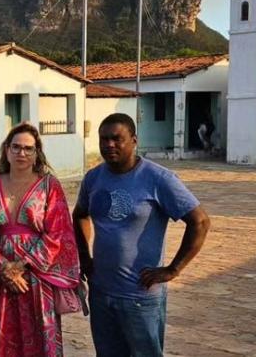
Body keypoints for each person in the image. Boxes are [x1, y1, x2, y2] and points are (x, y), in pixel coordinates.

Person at [73, 113, 211, 357]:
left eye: (117, 139)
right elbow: (80, 215)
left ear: (134, 140)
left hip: (140, 295)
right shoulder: (93, 178)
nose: (109, 145)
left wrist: (173, 269)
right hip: (102, 292)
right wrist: (84, 255)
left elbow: (199, 221)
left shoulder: (159, 179)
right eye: (104, 139)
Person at [0, 123, 80, 357]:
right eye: (16, 147)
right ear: (6, 150)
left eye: (28, 148)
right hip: (0, 278)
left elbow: (58, 233)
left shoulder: (49, 185)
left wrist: (20, 266)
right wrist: (3, 267)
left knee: (39, 340)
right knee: (1, 338)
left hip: (37, 278)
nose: (21, 153)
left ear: (37, 153)